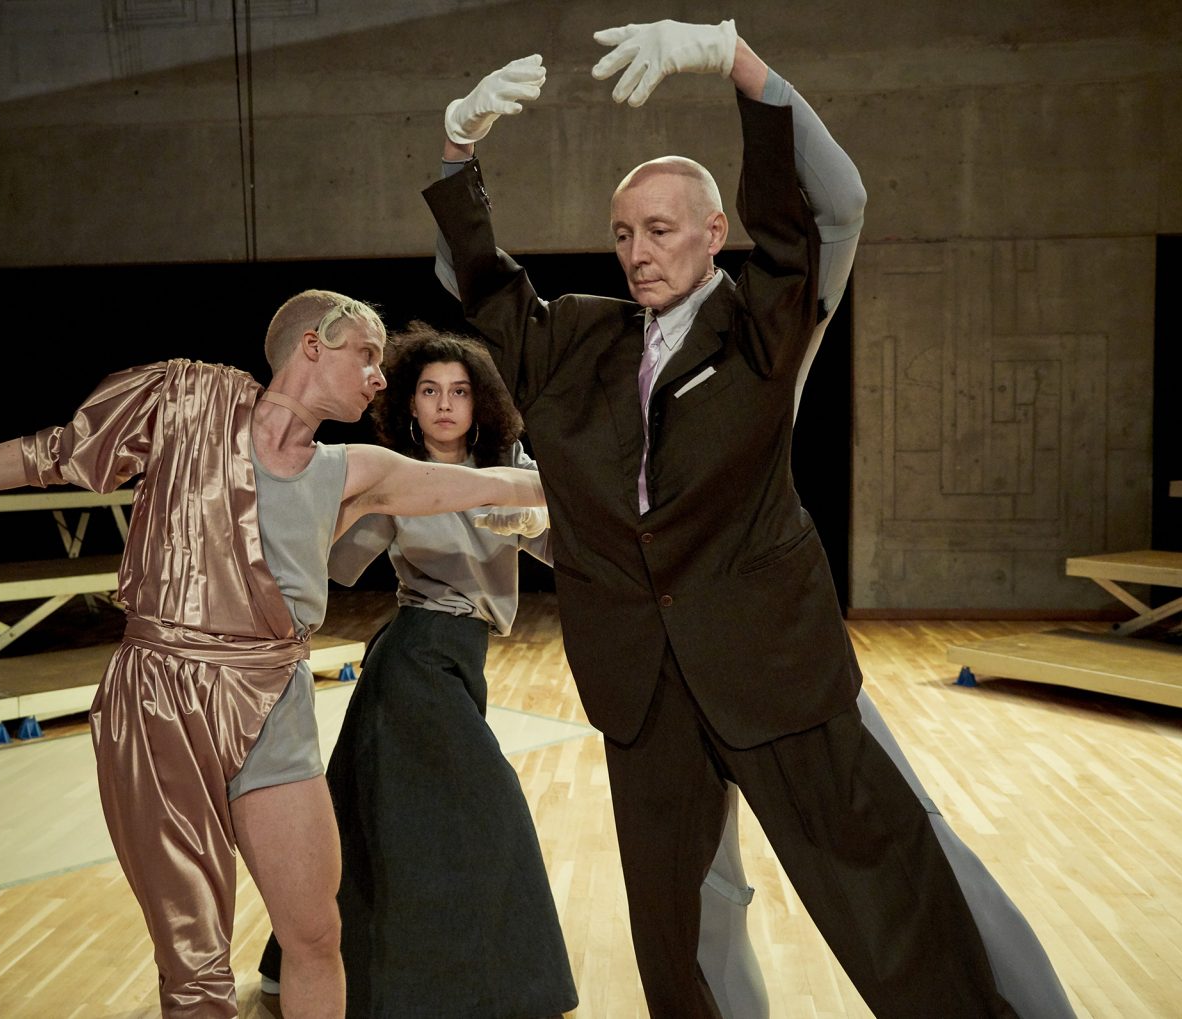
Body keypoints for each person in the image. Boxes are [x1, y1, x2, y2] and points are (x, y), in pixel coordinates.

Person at [432, 36, 1076, 1019]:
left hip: (772, 658)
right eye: (623, 234)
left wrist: (737, 61)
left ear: (711, 231)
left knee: (889, 883)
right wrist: (458, 148)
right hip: (643, 681)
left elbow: (818, 215)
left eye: (659, 229)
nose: (638, 251)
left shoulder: (763, 327)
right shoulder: (580, 340)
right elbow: (485, 287)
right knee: (678, 926)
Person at [0, 290, 547, 1019]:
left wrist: (591, 485)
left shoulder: (356, 469)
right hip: (161, 696)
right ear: (313, 346)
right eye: (366, 354)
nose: (379, 376)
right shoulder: (189, 404)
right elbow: (56, 453)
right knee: (195, 965)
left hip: (274, 694)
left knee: (317, 931)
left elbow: (496, 484)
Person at [255, 323, 577, 1019]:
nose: (444, 404)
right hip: (416, 656)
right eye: (430, 391)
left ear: (479, 401)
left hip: (460, 658)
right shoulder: (394, 475)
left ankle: (324, 972)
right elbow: (335, 563)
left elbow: (565, 551)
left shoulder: (508, 469)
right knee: (491, 811)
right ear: (409, 401)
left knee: (371, 815)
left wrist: (537, 514)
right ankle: (510, 988)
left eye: (459, 391)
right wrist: (317, 502)